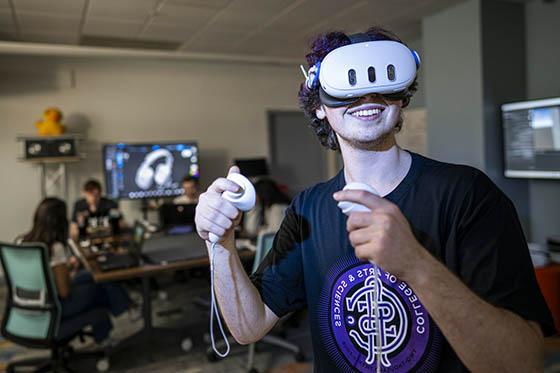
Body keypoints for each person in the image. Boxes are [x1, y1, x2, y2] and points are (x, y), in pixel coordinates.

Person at [195, 26, 555, 372]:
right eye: (347, 86)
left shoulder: (468, 195)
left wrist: (416, 265)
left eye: (383, 84)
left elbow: (521, 363)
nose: (367, 97)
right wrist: (220, 242)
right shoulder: (307, 209)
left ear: (402, 96)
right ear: (320, 105)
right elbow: (247, 326)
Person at [21, 198, 132, 344]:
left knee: (91, 274)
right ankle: (119, 316)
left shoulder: (23, 241)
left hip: (31, 303)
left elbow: (41, 274)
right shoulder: (55, 248)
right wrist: (68, 272)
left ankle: (124, 308)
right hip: (55, 307)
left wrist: (65, 268)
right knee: (99, 287)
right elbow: (64, 292)